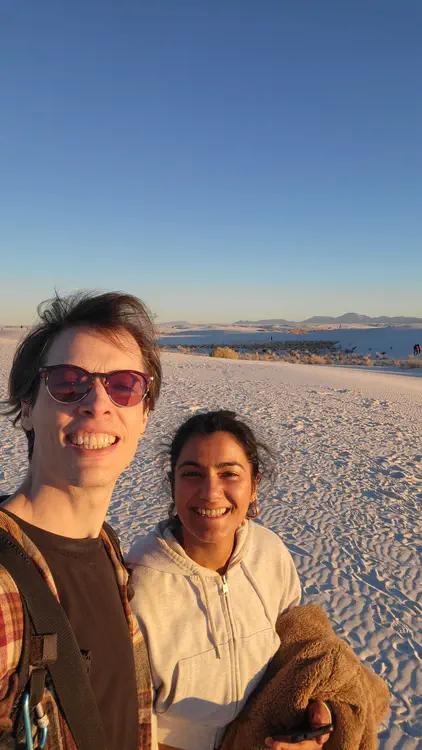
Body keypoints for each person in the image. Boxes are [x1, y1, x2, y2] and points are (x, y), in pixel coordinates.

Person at [0, 290, 162, 750]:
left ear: (144, 415)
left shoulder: (110, 551)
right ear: (28, 408)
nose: (97, 403)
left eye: (124, 385)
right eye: (69, 382)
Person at [128, 410, 332, 750]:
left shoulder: (270, 554)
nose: (210, 492)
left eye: (229, 474)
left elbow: (298, 649)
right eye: (192, 473)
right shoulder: (138, 586)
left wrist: (316, 711)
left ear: (254, 486)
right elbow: (131, 726)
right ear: (172, 484)